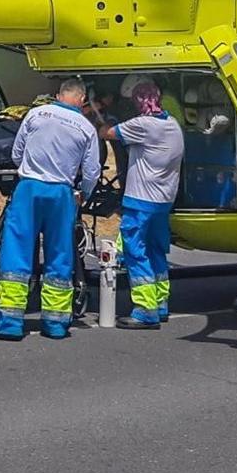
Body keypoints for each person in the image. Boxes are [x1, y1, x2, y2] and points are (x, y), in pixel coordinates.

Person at [0, 78, 100, 341]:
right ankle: (55, 324)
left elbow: (17, 153)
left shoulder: (36, 114)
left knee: (16, 251)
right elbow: (92, 171)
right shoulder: (86, 127)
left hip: (30, 189)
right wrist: (84, 194)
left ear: (59, 95)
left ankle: (9, 323)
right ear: (82, 99)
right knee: (60, 254)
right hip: (62, 193)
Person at [99, 82, 184, 329]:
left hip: (140, 199)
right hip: (163, 200)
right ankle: (160, 303)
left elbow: (108, 133)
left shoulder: (143, 125)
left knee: (135, 251)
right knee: (156, 251)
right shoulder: (173, 125)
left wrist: (101, 114)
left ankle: (145, 309)